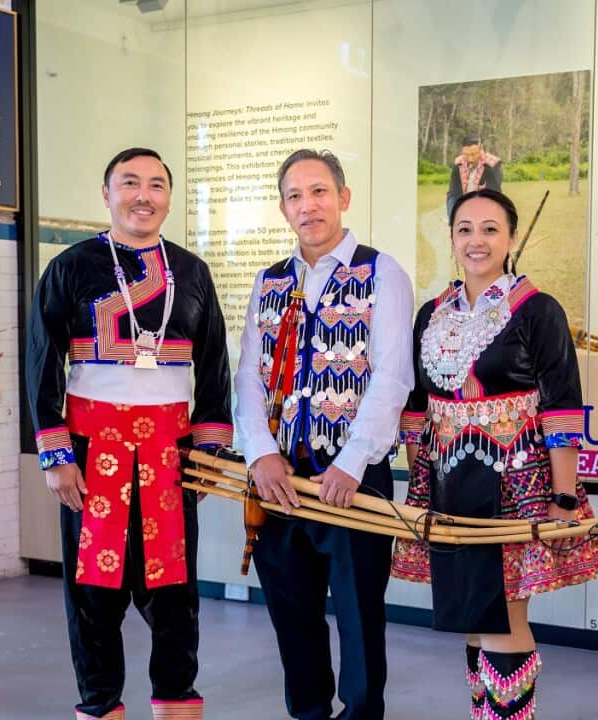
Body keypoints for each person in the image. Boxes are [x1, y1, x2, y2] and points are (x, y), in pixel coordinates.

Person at [26, 147, 232, 720]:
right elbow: (42, 364)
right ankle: (99, 702)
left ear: (169, 196)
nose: (144, 195)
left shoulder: (191, 272)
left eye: (157, 185)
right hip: (92, 456)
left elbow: (214, 364)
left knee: (174, 595)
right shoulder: (71, 267)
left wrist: (210, 449)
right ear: (107, 193)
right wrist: (55, 454)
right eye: (130, 183)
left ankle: (175, 700)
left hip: (171, 456)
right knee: (93, 595)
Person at [393, 188, 598, 720]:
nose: (476, 240)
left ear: (510, 238)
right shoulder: (432, 313)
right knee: (472, 610)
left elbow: (561, 410)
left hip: (515, 482)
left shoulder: (537, 310)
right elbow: (418, 407)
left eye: (490, 229)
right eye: (465, 229)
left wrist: (562, 496)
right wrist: (419, 485)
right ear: (451, 239)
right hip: (447, 483)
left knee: (503, 613)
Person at [234, 149, 415, 720]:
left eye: (318, 192)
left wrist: (353, 462)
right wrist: (261, 454)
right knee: (292, 614)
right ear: (283, 207)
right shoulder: (269, 282)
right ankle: (309, 713)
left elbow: (392, 377)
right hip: (281, 480)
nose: (307, 205)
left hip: (352, 480)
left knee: (361, 615)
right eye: (294, 195)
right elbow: (247, 377)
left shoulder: (381, 272)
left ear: (343, 197)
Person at [446, 137, 503, 221]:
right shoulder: (458, 163)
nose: (470, 159)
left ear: (480, 148)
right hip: (463, 210)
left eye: (473, 154)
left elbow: (493, 196)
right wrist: (453, 217)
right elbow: (453, 194)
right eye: (466, 154)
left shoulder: (493, 164)